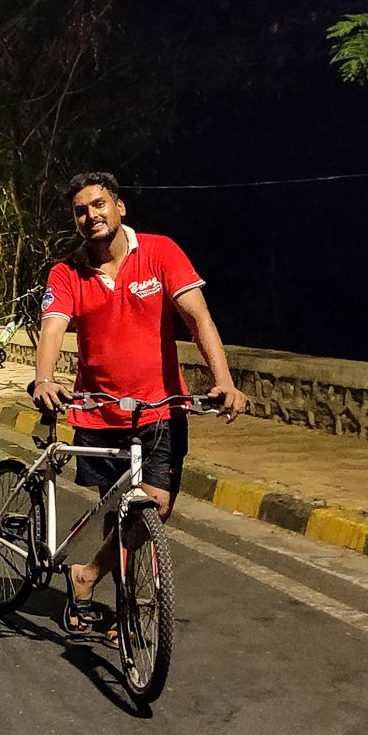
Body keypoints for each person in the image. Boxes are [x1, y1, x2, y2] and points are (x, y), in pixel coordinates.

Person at [32, 171, 246, 641]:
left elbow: (198, 317)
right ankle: (125, 606)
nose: (91, 216)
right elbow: (52, 328)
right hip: (98, 409)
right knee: (116, 511)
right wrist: (44, 379)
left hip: (161, 409)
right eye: (81, 211)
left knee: (156, 506)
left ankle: (86, 574)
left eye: (99, 205)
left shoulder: (160, 252)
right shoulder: (67, 272)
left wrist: (224, 381)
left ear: (119, 207)